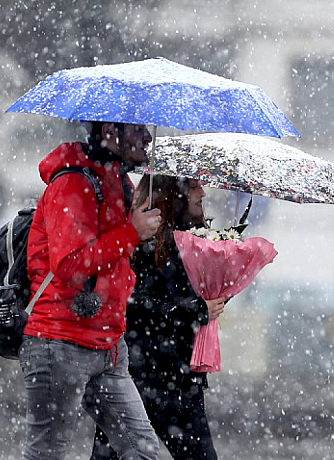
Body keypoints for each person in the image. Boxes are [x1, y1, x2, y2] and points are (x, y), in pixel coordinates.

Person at [22, 121, 162, 460]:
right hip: (60, 342)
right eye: (136, 128)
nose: (147, 136)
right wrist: (131, 233)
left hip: (109, 345)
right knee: (47, 454)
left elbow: (116, 258)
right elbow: (69, 264)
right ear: (110, 131)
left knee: (143, 452)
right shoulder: (72, 182)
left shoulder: (118, 182)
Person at [90, 174, 227, 460]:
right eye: (192, 187)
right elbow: (134, 306)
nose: (202, 193)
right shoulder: (140, 242)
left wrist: (220, 292)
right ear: (172, 194)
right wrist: (195, 310)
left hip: (179, 379)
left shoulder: (197, 241)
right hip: (137, 375)